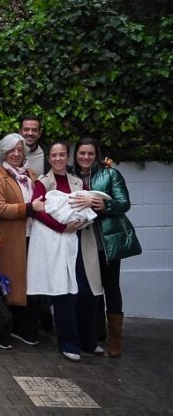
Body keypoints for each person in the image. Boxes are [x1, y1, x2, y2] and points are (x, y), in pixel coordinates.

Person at [26, 141, 104, 362]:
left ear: (67, 157)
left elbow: (90, 206)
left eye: (62, 155)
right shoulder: (42, 182)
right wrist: (62, 227)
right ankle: (69, 343)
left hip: (80, 242)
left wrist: (81, 219)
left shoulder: (78, 182)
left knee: (87, 294)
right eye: (54, 155)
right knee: (64, 294)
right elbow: (37, 210)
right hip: (57, 242)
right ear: (49, 159)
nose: (58, 159)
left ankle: (89, 341)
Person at [71, 137, 142, 357]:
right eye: (82, 153)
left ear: (97, 155)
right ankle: (96, 332)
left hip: (107, 242)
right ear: (76, 155)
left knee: (111, 287)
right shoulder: (71, 176)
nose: (85, 157)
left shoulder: (110, 174)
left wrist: (106, 204)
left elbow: (124, 203)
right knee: (91, 288)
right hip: (82, 241)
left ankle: (115, 339)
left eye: (90, 153)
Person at [0, 133, 45, 349]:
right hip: (9, 239)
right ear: (3, 152)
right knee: (7, 285)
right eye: (11, 150)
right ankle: (2, 331)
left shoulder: (30, 174)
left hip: (32, 237)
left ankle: (25, 329)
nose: (16, 154)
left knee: (29, 284)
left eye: (19, 150)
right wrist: (29, 208)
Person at [18, 114, 53, 332]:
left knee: (41, 268)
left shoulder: (48, 155)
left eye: (34, 130)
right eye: (26, 129)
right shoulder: (13, 151)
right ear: (20, 131)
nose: (30, 133)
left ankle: (43, 314)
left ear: (39, 132)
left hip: (43, 221)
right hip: (19, 221)